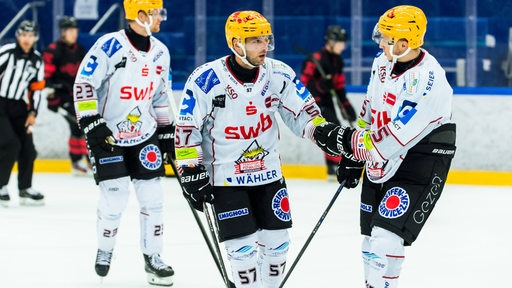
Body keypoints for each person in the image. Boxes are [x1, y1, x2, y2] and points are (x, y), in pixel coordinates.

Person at [175, 10, 322, 288]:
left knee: (278, 246)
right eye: (255, 40)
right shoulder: (206, 79)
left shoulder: (279, 74)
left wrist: (329, 135)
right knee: (242, 252)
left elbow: (305, 115)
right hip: (225, 180)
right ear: (236, 43)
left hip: (269, 177)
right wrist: (190, 169)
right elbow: (186, 129)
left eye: (265, 39)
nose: (264, 46)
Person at [312, 5, 457, 288]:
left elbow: (394, 136)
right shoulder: (382, 62)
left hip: (423, 154)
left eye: (386, 38)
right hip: (384, 153)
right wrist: (355, 157)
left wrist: (347, 144)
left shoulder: (426, 81)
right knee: (369, 239)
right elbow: (371, 109)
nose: (379, 43)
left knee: (385, 236)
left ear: (404, 44)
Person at [73, 0, 175, 285]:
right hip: (108, 137)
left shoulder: (161, 52)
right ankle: (105, 250)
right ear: (139, 16)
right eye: (156, 13)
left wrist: (166, 131)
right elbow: (84, 84)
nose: (161, 19)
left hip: (144, 135)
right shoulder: (109, 46)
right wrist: (91, 122)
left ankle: (153, 258)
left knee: (153, 199)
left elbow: (159, 96)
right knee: (115, 198)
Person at [300, 25, 357, 179]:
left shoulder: (338, 61)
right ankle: (334, 164)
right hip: (314, 102)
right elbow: (303, 85)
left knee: (335, 126)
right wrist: (319, 86)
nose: (343, 46)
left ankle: (332, 166)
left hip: (327, 100)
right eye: (341, 42)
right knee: (332, 127)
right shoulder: (316, 59)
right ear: (331, 41)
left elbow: (339, 86)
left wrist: (346, 105)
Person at [0, 20, 45, 207]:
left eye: (30, 36)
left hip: (19, 106)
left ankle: (25, 188)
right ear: (18, 35)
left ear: (35, 38)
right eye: (24, 35)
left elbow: (37, 89)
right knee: (10, 144)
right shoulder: (6, 52)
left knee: (28, 148)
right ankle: (1, 184)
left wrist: (33, 112)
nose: (27, 39)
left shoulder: (36, 59)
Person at [43, 16, 90, 175]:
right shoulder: (53, 50)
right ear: (63, 32)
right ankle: (78, 161)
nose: (73, 34)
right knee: (77, 126)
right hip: (62, 97)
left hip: (78, 96)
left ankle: (83, 160)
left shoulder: (80, 50)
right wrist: (51, 96)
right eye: (70, 31)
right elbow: (46, 76)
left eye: (75, 30)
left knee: (83, 126)